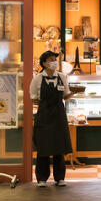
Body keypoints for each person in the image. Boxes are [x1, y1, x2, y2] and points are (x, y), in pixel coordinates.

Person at [30, 50, 74, 187]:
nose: (54, 62)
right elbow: (33, 98)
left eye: (55, 59)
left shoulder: (62, 77)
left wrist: (74, 93)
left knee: (58, 146)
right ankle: (41, 178)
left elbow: (65, 96)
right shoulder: (37, 78)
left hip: (59, 115)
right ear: (44, 63)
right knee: (43, 147)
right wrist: (46, 104)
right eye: (50, 59)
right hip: (43, 115)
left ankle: (60, 178)